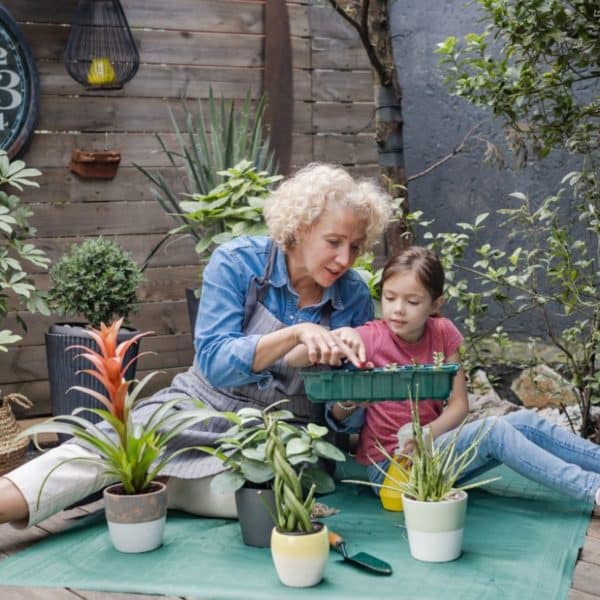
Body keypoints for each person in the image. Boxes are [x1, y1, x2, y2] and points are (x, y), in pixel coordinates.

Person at [0, 163, 392, 527]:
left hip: (280, 437)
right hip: (198, 409)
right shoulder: (237, 263)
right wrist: (293, 334)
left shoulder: (353, 294)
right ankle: (147, 481)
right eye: (334, 242)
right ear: (301, 226)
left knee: (278, 497)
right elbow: (215, 361)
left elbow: (338, 421)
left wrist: (351, 392)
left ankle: (156, 486)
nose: (344, 259)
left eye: (355, 247)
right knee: (93, 454)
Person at [329, 246, 600, 505]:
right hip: (393, 469)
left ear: (435, 304)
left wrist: (427, 433)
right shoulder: (369, 338)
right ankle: (591, 489)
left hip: (432, 447)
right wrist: (342, 342)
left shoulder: (443, 333)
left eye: (412, 301)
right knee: (494, 431)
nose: (398, 309)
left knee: (526, 421)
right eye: (389, 298)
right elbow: (334, 409)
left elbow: (460, 404)